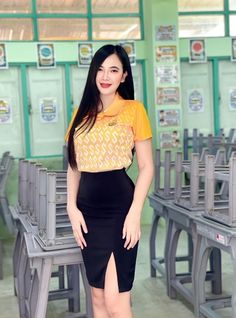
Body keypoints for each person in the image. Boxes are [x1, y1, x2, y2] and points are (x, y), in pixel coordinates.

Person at [66, 44, 154, 318]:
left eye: (113, 70)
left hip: (120, 210)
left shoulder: (133, 110)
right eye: (101, 69)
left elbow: (147, 166)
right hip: (87, 212)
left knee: (117, 301)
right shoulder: (81, 113)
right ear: (94, 73)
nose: (106, 75)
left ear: (124, 76)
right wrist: (71, 208)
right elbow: (73, 166)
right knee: (98, 297)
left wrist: (135, 213)